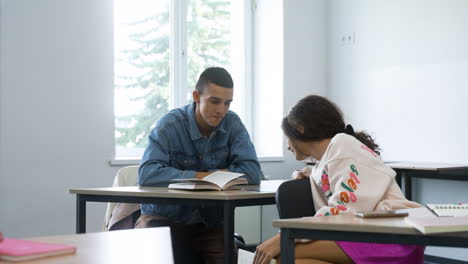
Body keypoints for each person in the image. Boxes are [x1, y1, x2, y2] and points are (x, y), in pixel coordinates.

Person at [253, 95, 424, 264]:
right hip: (363, 235)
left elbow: (344, 212)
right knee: (287, 260)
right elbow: (329, 174)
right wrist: (304, 173)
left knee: (282, 253)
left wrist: (286, 234)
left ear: (300, 127)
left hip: (392, 237)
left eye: (287, 135)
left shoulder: (342, 144)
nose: (287, 145)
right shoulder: (327, 159)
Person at [136, 67, 262, 264]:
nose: (221, 110)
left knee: (227, 257)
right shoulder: (169, 125)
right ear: (196, 96)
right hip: (163, 220)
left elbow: (253, 172)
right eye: (214, 101)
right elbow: (147, 174)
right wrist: (204, 176)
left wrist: (213, 175)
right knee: (150, 254)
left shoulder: (232, 123)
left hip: (209, 224)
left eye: (227, 103)